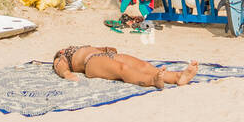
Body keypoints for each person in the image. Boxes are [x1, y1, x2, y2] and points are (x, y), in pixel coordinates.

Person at [53, 44, 199, 89]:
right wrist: (67, 74)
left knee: (143, 65)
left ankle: (178, 77)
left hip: (104, 55)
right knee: (123, 69)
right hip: (90, 63)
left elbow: (107, 49)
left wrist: (106, 49)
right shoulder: (62, 56)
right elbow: (59, 66)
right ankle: (152, 81)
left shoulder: (80, 47)